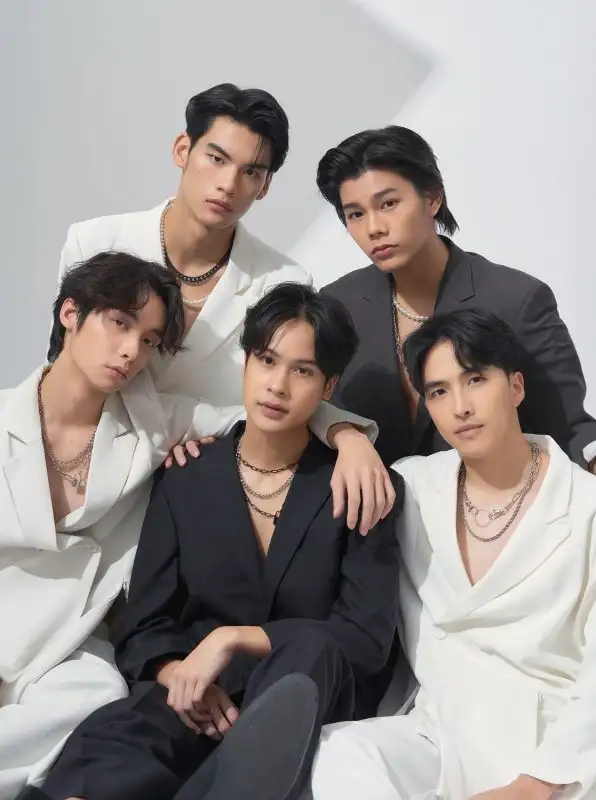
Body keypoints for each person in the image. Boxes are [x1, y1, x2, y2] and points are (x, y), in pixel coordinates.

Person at [30, 283, 404, 800]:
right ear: (246, 362)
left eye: (302, 371)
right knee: (114, 741)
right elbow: (145, 627)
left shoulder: (361, 485)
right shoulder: (186, 476)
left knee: (312, 653)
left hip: (305, 693)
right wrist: (179, 674)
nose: (277, 385)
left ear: (328, 386)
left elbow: (364, 640)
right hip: (199, 696)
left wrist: (233, 638)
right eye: (267, 360)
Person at [57, 83, 395, 534]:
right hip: (82, 481)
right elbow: (64, 372)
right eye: (216, 158)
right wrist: (171, 431)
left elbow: (282, 389)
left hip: (201, 500)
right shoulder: (95, 242)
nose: (228, 184)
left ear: (265, 186)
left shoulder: (281, 280)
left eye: (251, 172)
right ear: (183, 149)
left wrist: (346, 434)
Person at [0, 250, 270, 798]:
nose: (131, 351)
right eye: (119, 323)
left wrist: (348, 438)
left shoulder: (153, 423)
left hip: (68, 638)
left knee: (98, 694)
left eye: (148, 340)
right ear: (70, 313)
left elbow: (268, 417)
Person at [311, 308, 596, 800]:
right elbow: (286, 407)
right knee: (338, 751)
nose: (460, 407)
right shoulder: (413, 486)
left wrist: (535, 785)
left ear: (516, 387)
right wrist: (347, 436)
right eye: (439, 392)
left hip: (550, 747)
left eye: (476, 380)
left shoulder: (585, 504)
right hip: (439, 731)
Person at [317, 125, 596, 470]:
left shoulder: (516, 300)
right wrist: (343, 432)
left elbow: (570, 430)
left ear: (433, 198)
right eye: (356, 214)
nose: (374, 228)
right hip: (373, 503)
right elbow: (311, 407)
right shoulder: (337, 305)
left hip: (496, 498)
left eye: (388, 203)